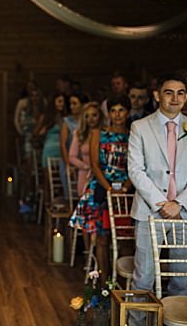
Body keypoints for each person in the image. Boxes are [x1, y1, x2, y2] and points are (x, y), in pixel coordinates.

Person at [129, 72, 187, 297]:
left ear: (186, 97)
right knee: (143, 279)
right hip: (150, 211)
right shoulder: (140, 127)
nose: (175, 98)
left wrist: (178, 203)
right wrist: (161, 203)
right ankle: (137, 325)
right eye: (169, 93)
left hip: (185, 213)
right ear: (157, 96)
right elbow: (136, 170)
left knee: (181, 280)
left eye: (181, 93)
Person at [70, 97, 130, 279]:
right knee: (102, 237)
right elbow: (95, 164)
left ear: (127, 112)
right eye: (113, 110)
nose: (117, 114)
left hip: (126, 187)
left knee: (126, 237)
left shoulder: (133, 134)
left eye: (121, 110)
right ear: (109, 113)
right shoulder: (98, 133)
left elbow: (137, 165)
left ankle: (123, 279)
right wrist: (109, 188)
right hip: (102, 186)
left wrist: (125, 188)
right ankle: (104, 282)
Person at [66, 102, 104, 195]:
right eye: (87, 116)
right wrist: (86, 166)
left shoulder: (106, 133)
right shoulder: (79, 134)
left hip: (103, 174)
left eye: (94, 115)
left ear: (100, 116)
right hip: (85, 174)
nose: (90, 119)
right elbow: (71, 156)